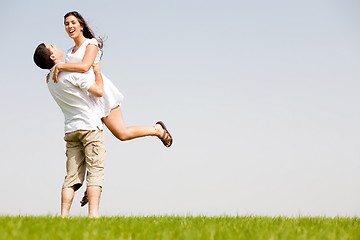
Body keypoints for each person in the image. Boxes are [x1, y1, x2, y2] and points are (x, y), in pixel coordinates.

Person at [53, 11, 173, 148]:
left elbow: (85, 66)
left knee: (122, 134)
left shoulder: (91, 44)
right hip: (87, 98)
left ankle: (157, 130)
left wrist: (61, 66)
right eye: (66, 24)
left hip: (101, 92)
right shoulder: (69, 52)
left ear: (81, 26)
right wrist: (54, 71)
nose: (69, 26)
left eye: (73, 22)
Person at [34, 43, 106, 218]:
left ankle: (64, 216)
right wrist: (97, 71)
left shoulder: (50, 79)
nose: (56, 46)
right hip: (89, 126)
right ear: (52, 56)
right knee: (95, 171)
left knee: (71, 176)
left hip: (70, 130)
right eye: (52, 46)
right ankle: (94, 216)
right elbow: (98, 91)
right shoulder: (69, 74)